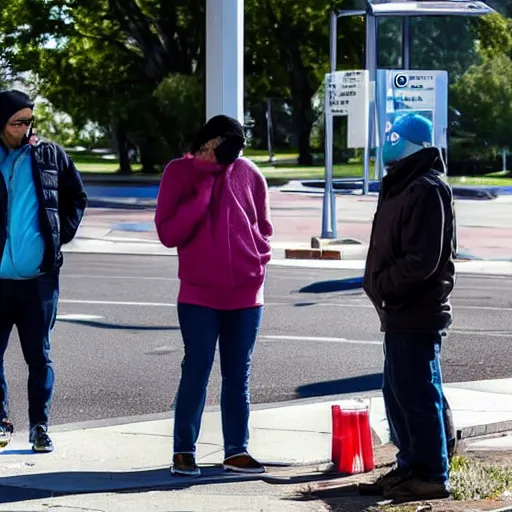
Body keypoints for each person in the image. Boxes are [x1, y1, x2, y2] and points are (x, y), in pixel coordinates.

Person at [155, 115, 273, 477]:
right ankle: (183, 450)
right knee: (197, 369)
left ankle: (236, 450)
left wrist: (257, 257)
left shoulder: (249, 173)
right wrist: (201, 197)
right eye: (211, 151)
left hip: (247, 294)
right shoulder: (178, 173)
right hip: (198, 294)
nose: (215, 160)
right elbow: (168, 233)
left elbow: (264, 229)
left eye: (224, 156)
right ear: (203, 141)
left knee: (238, 375)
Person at [362, 113, 457, 500]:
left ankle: (432, 474)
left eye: (394, 135)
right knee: (398, 392)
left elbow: (423, 259)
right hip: (397, 310)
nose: (388, 141)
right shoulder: (402, 185)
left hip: (416, 309)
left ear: (414, 142)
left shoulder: (427, 188)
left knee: (418, 393)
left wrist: (384, 287)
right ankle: (409, 466)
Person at [0, 90, 87, 452]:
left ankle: (40, 426)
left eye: (28, 121)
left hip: (40, 281)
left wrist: (57, 236)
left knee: (39, 356)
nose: (25, 127)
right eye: (17, 122)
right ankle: (1, 421)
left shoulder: (49, 154)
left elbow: (76, 197)